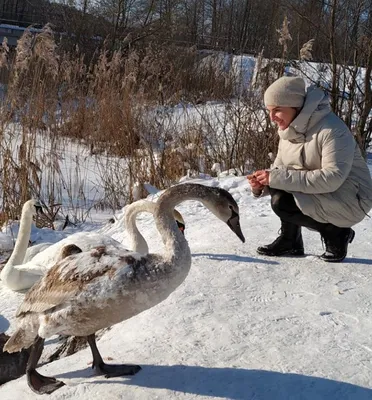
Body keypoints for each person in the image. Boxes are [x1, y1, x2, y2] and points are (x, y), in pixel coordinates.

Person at [247, 75, 372, 262]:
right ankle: (290, 241)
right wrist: (261, 184)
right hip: (329, 191)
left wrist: (276, 178)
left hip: (353, 198)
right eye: (269, 111)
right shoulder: (288, 131)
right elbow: (280, 171)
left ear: (296, 107)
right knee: (278, 189)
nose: (272, 118)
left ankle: (336, 232)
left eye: (278, 110)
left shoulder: (332, 130)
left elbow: (333, 178)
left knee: (282, 198)